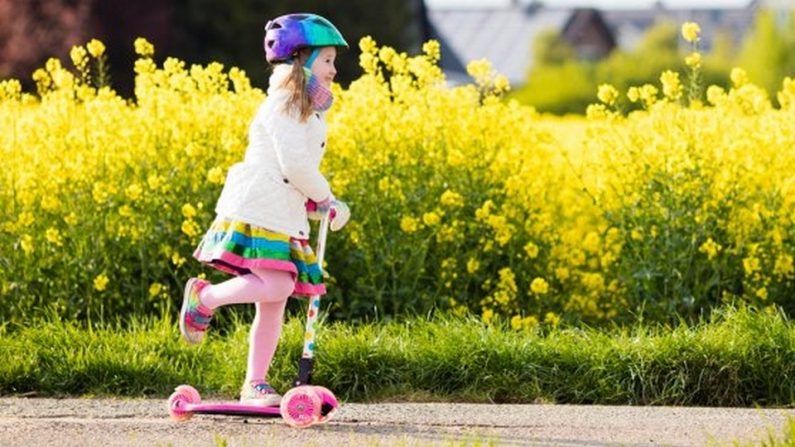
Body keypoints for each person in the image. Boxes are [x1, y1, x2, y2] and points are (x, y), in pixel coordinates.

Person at [178, 13, 351, 407]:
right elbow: (294, 165)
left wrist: (314, 202)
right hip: (260, 207)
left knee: (271, 305)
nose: (334, 70)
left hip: (279, 209)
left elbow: (290, 171)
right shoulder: (286, 104)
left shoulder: (303, 108)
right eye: (326, 60)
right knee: (279, 285)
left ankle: (254, 384)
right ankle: (204, 298)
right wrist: (325, 197)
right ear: (300, 60)